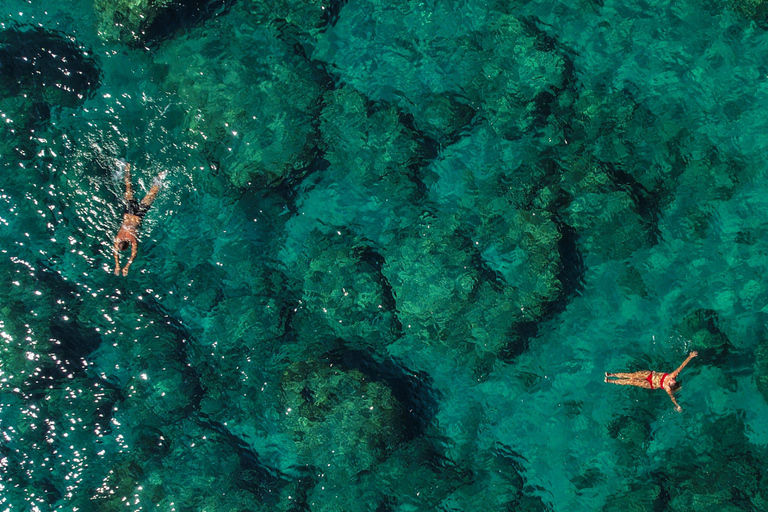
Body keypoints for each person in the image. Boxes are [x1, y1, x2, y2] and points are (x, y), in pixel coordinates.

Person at [112, 160, 166, 276]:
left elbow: (133, 254)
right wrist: (117, 265)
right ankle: (128, 168)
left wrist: (126, 266)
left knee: (151, 195)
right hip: (128, 214)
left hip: (138, 216)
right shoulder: (118, 237)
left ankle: (160, 177)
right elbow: (115, 252)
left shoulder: (133, 239)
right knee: (128, 189)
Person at [605, 351, 698, 412]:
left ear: (670, 385)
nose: (672, 379)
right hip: (650, 375)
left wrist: (677, 405)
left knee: (630, 381)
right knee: (631, 375)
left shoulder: (667, 389)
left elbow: (672, 397)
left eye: (671, 381)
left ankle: (611, 381)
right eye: (673, 380)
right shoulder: (672, 375)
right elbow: (681, 366)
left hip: (650, 384)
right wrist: (690, 356)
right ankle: (612, 374)